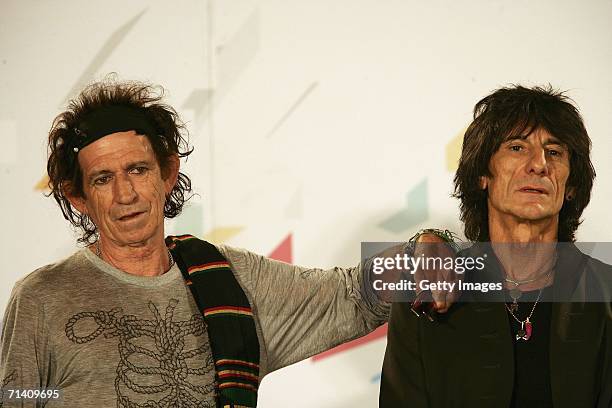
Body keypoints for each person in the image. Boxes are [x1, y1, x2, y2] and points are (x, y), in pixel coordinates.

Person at [380, 85, 612, 407]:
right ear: (482, 176)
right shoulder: (426, 292)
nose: (539, 164)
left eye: (555, 152)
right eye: (517, 147)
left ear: (571, 185)